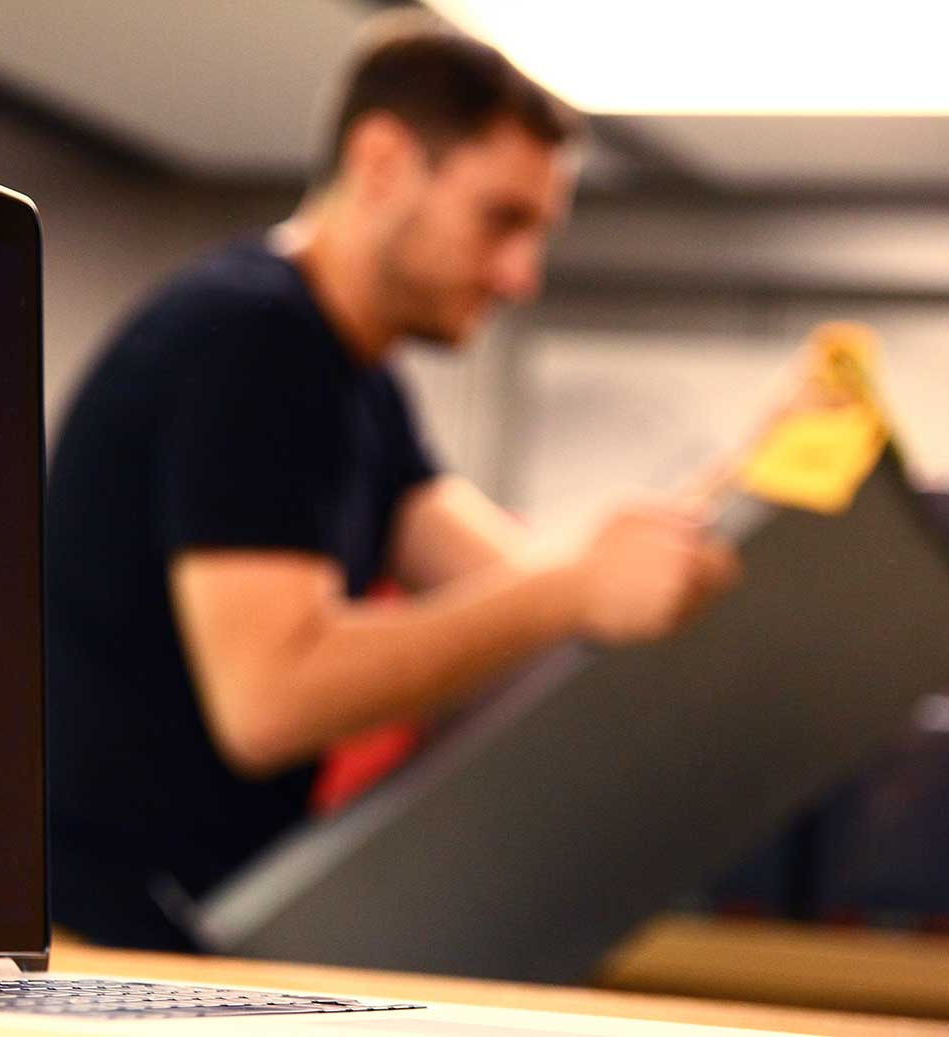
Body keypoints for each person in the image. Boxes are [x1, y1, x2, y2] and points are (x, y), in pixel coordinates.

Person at [45, 15, 741, 950]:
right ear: (380, 163)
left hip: (180, 919)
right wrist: (574, 586)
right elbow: (270, 699)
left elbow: (510, 575)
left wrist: (727, 501)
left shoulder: (359, 382)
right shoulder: (250, 338)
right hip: (90, 929)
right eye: (502, 220)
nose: (520, 275)